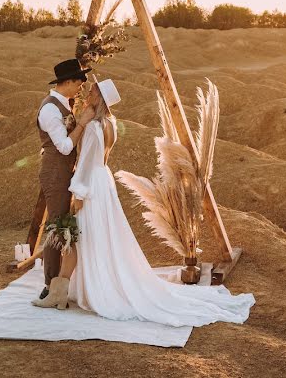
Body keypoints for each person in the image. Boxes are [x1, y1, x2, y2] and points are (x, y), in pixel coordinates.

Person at [34, 77, 255, 328]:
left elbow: (85, 163)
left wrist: (78, 192)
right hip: (103, 180)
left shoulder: (94, 128)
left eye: (93, 91)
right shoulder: (111, 124)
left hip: (91, 184)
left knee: (82, 236)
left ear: (100, 99)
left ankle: (65, 292)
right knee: (94, 236)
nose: (87, 93)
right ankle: (64, 291)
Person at [31, 58, 93, 302]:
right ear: (67, 82)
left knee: (62, 225)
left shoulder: (63, 104)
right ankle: (49, 285)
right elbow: (65, 147)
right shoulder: (49, 109)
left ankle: (58, 281)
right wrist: (83, 123)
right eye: (79, 81)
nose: (81, 86)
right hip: (56, 172)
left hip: (66, 172)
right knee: (57, 226)